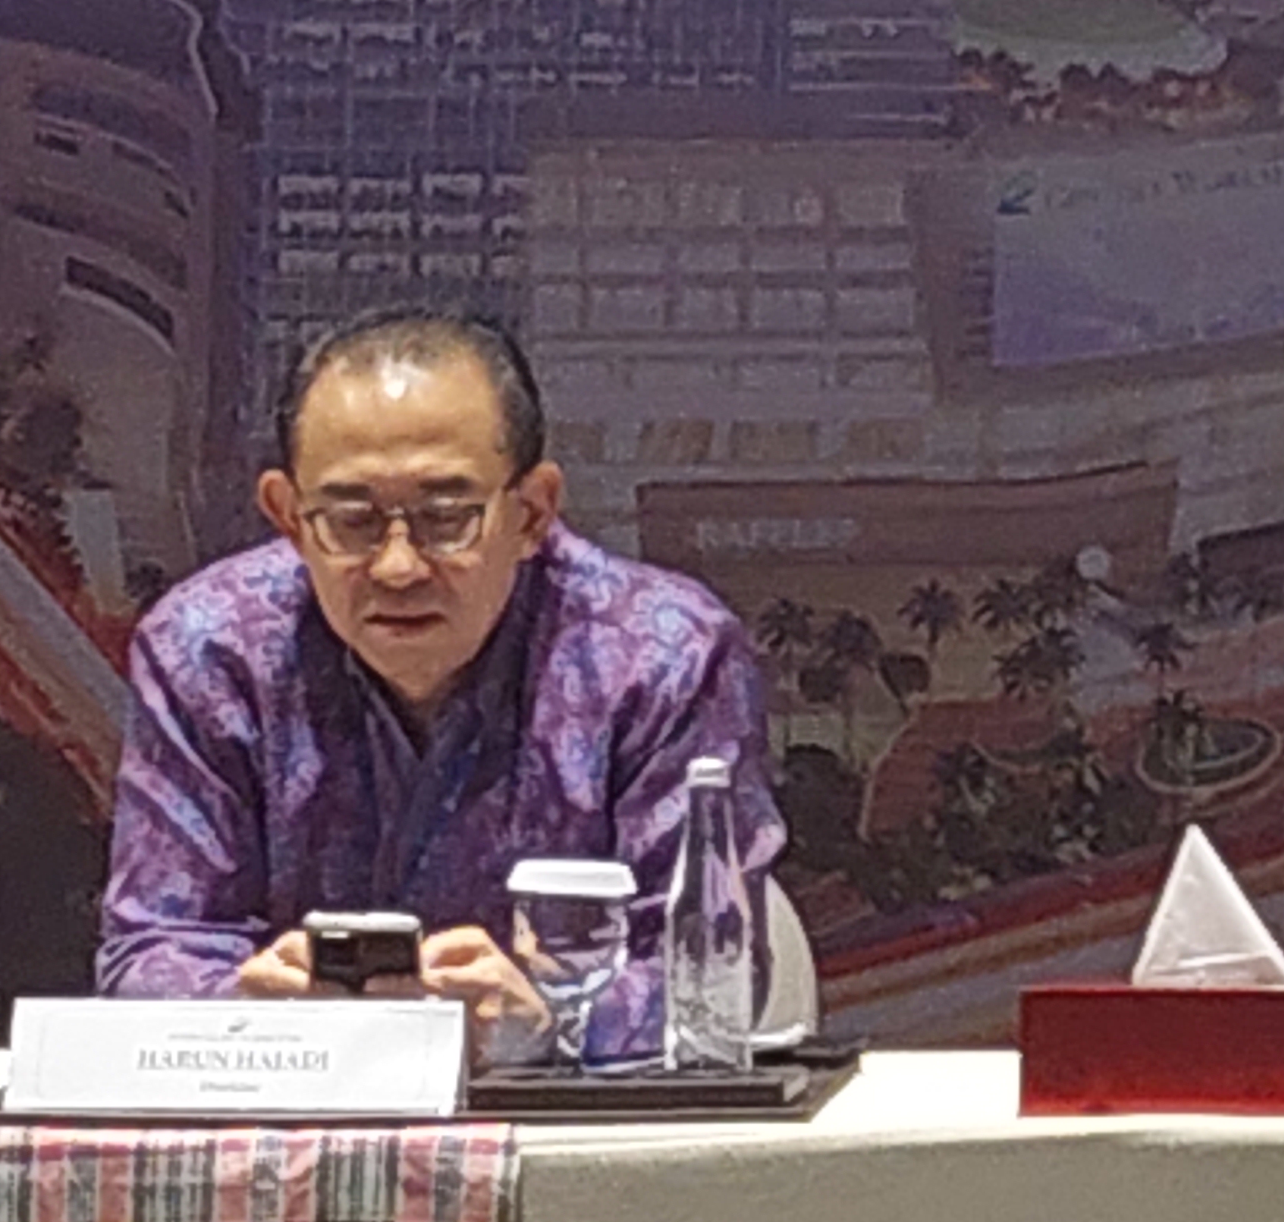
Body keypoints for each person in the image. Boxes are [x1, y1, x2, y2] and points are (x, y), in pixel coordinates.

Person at [95, 308, 779, 1036]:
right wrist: (246, 1006)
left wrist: (554, 1022)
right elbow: (150, 950)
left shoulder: (663, 657)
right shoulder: (208, 650)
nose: (398, 567)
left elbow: (718, 972)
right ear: (288, 515)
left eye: (446, 517)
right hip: (295, 1087)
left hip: (564, 1096)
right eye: (352, 520)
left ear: (533, 513)